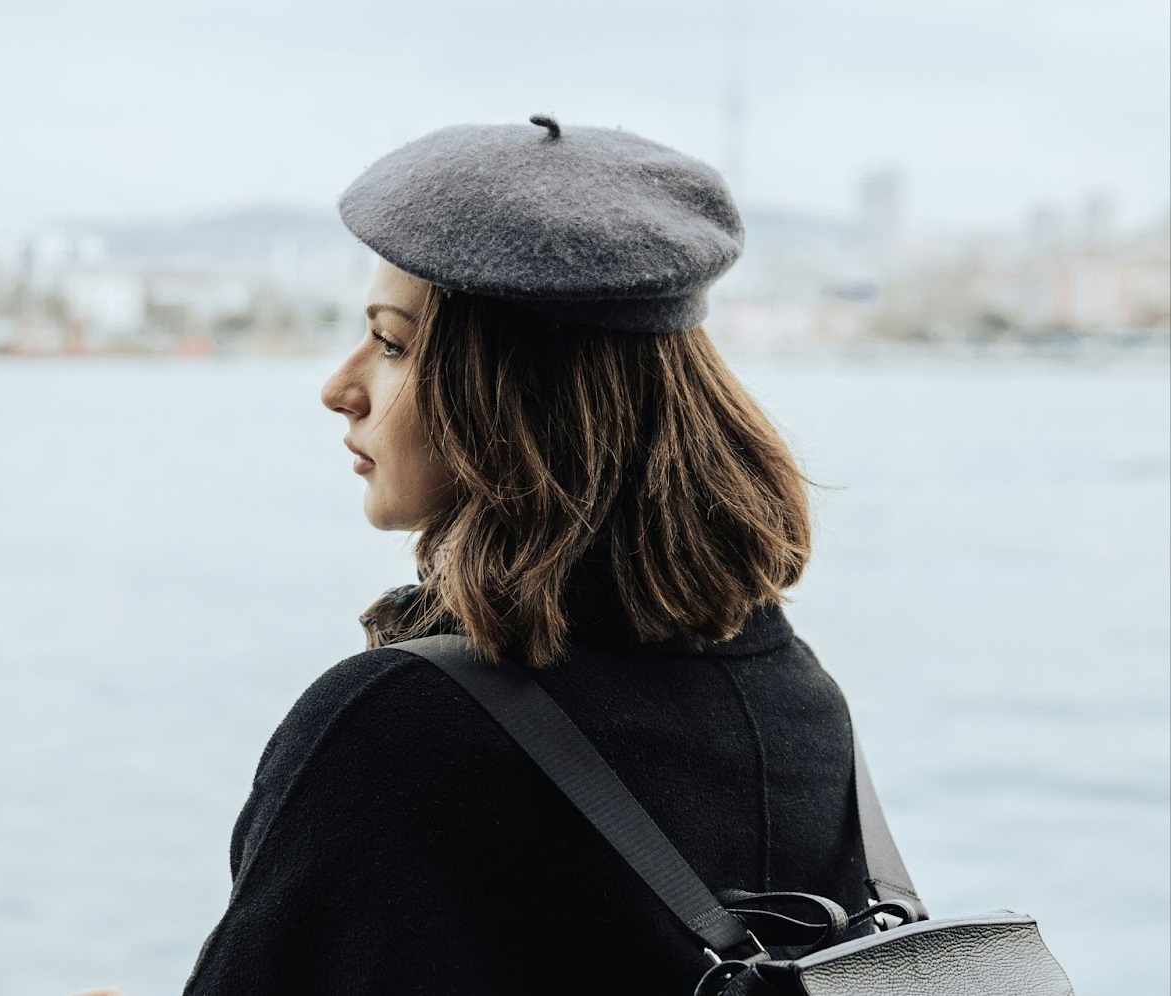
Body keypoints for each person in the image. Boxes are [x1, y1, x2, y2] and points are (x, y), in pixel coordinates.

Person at [88, 115, 873, 996]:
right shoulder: (804, 702)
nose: (340, 388)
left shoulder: (398, 725)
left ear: (514, 392)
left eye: (393, 343)